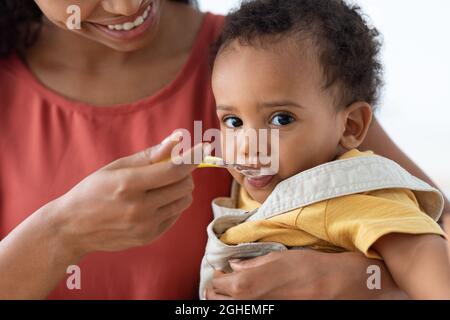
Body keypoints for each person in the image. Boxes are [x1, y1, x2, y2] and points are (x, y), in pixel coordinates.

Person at [0, 0, 448, 299]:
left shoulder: (270, 57)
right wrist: (60, 233)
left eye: (279, 120)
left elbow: (431, 227)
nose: (126, 5)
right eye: (230, 121)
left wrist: (361, 282)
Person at [201, 0, 450, 300]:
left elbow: (418, 253)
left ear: (351, 127)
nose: (247, 147)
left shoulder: (342, 192)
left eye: (281, 119)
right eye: (233, 121)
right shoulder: (255, 186)